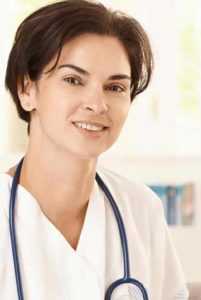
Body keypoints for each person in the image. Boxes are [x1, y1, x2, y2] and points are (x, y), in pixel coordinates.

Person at [0, 0, 189, 299]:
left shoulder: (140, 209)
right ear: (27, 90)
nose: (97, 104)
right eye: (73, 80)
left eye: (115, 87)